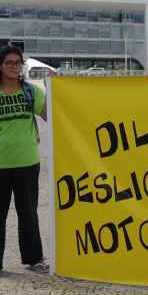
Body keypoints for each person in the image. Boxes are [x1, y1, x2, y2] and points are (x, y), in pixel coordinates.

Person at [0, 45, 49, 274]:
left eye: (17, 62)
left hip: (27, 162)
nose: (13, 67)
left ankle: (34, 258)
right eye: (8, 62)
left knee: (28, 212)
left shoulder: (32, 92)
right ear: (1, 66)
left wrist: (59, 88)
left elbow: (55, 117)